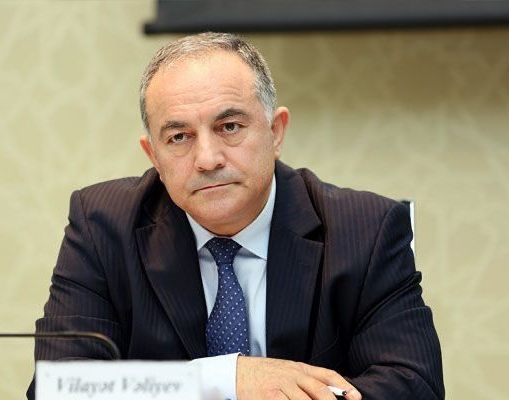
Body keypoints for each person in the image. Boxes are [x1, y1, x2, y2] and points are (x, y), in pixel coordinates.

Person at [27, 32, 444, 400]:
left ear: (275, 132)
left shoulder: (365, 229)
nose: (207, 158)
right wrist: (224, 379)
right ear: (153, 155)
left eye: (229, 127)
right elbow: (59, 388)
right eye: (179, 137)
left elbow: (415, 386)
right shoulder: (102, 226)